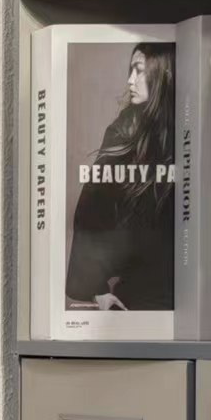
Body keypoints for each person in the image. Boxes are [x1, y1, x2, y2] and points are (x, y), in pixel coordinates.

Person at [65, 43, 175, 313]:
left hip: (188, 291)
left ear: (163, 75)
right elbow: (91, 209)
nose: (130, 81)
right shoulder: (126, 130)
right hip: (142, 297)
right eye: (131, 70)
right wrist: (97, 289)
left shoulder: (190, 126)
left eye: (139, 71)